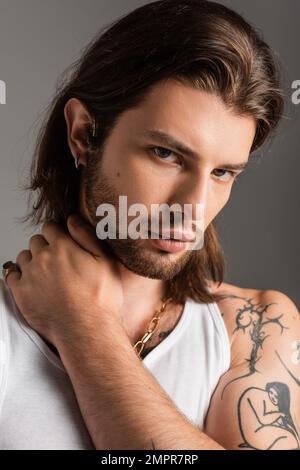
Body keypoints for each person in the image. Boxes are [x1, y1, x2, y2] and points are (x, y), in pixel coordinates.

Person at [0, 0, 299, 450]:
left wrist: (86, 326)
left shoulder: (254, 329)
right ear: (83, 133)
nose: (194, 208)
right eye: (166, 154)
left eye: (222, 173)